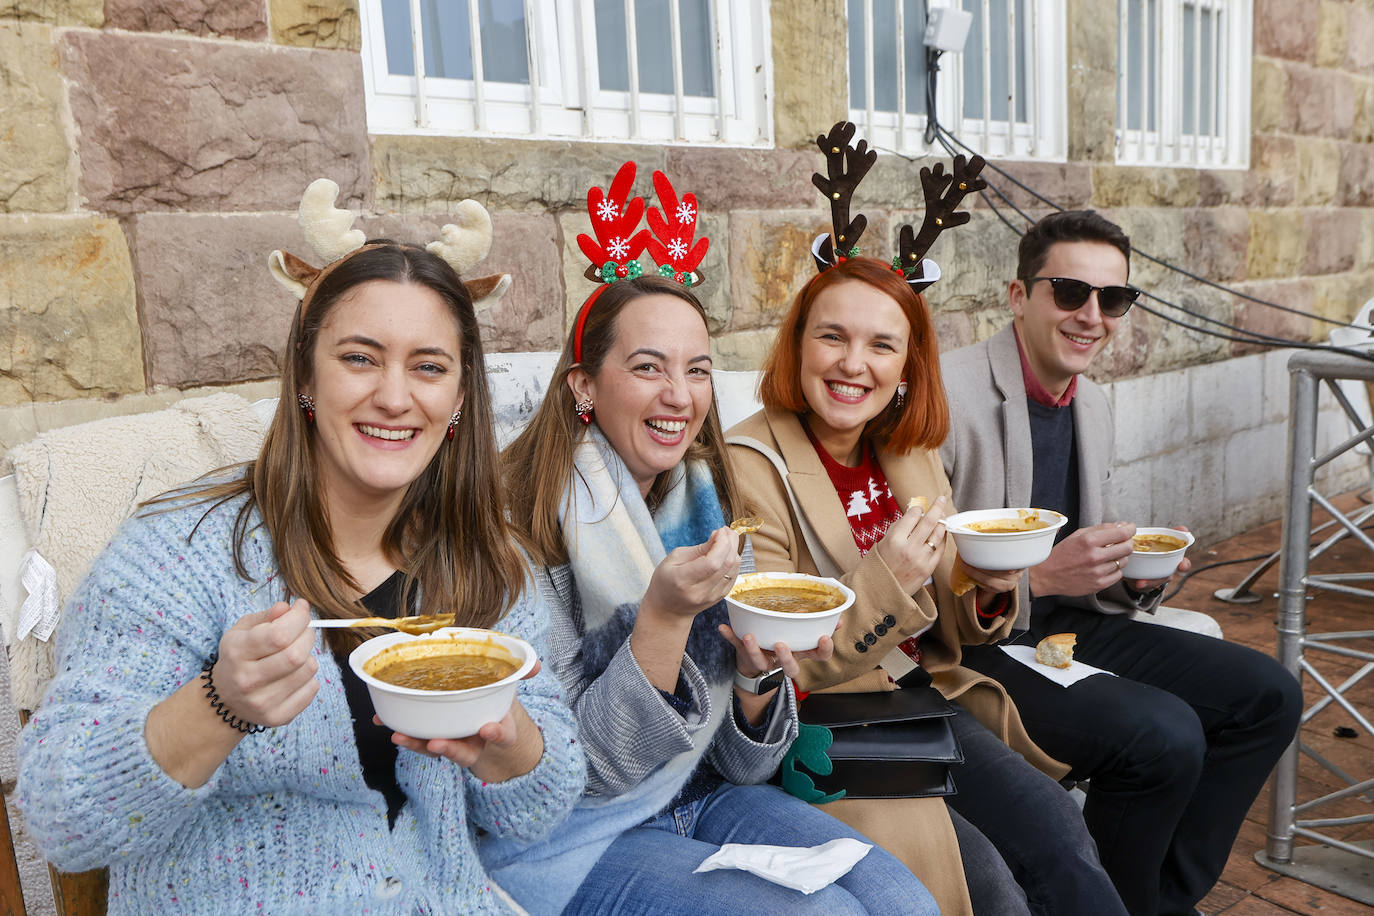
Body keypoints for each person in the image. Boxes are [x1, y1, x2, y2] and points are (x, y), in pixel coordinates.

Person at [16, 187, 585, 914]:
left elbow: (540, 808)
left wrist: (506, 738)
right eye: (360, 358)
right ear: (307, 378)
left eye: (429, 367)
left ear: (461, 399)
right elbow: (63, 821)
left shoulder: (490, 565)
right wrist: (218, 704)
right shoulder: (178, 555)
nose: (393, 396)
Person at [485, 162, 939, 916]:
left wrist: (760, 680)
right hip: (581, 832)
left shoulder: (711, 503)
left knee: (905, 904)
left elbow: (745, 764)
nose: (679, 396)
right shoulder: (514, 528)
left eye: (697, 370)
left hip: (707, 795)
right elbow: (577, 776)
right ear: (583, 386)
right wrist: (662, 621)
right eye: (647, 367)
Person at [728, 255, 1126, 916]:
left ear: (908, 365)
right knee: (989, 886)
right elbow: (779, 662)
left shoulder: (905, 451)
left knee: (1058, 830)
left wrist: (990, 586)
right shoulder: (749, 465)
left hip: (924, 697)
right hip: (830, 725)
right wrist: (889, 577)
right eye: (832, 336)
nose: (854, 364)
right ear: (797, 343)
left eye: (882, 344)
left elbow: (955, 620)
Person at [942, 208, 1303, 915]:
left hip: (1069, 625)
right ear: (1019, 297)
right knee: (1164, 735)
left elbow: (1084, 569)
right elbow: (911, 569)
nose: (1093, 315)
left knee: (1270, 696)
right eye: (1070, 293)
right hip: (973, 643)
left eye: (1115, 298)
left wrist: (1135, 576)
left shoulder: (1093, 404)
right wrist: (1039, 579)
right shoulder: (947, 394)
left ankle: (1155, 902)